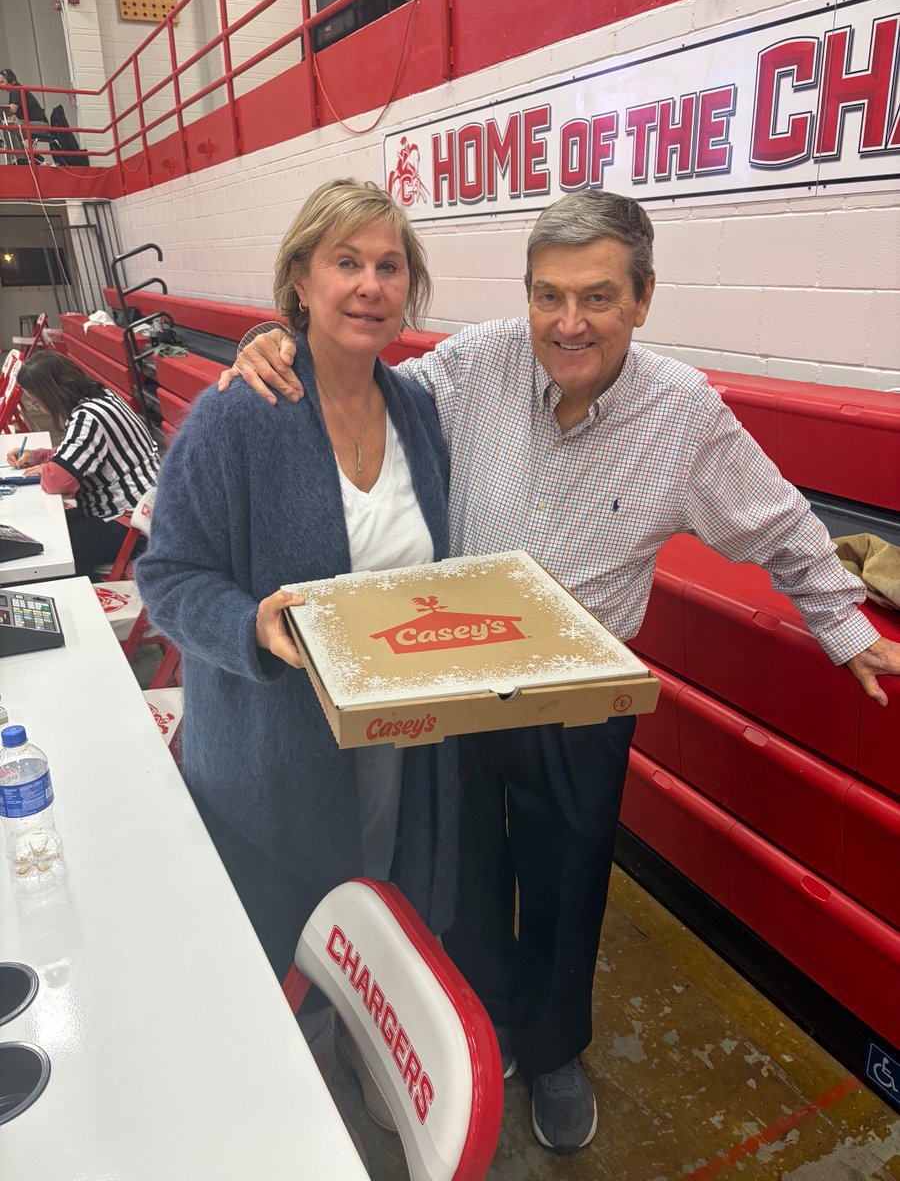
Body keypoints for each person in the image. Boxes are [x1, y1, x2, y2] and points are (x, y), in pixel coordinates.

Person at [220, 188, 900, 1154]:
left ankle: (555, 1049)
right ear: (526, 296)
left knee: (568, 875)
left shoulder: (684, 416)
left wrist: (842, 621)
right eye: (548, 296)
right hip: (460, 679)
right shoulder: (477, 363)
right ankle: (490, 1023)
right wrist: (276, 339)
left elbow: (780, 519)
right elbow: (360, 376)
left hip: (582, 696)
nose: (567, 323)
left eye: (596, 298)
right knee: (471, 864)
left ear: (642, 299)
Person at [135, 180, 457, 1108]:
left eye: (388, 266)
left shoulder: (419, 415)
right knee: (286, 932)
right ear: (301, 281)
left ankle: (365, 1052)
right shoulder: (241, 414)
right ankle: (289, 1091)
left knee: (375, 910)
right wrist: (250, 627)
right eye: (346, 263)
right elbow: (168, 575)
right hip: (276, 750)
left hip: (396, 738)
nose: (369, 286)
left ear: (410, 288)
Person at [8, 352, 159, 579]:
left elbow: (58, 482)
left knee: (50, 549)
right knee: (45, 530)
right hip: (145, 510)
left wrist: (49, 469)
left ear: (51, 394)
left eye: (36, 402)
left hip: (131, 525)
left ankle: (88, 593)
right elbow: (85, 453)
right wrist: (41, 456)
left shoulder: (87, 416)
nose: (37, 408)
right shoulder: (102, 395)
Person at [0, 69, 47, 163]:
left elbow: (13, 109)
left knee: (8, 128)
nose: (0, 85)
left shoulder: (16, 90)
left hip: (40, 125)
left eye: (2, 82)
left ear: (11, 81)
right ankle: (31, 156)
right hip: (35, 123)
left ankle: (20, 159)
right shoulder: (16, 90)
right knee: (10, 128)